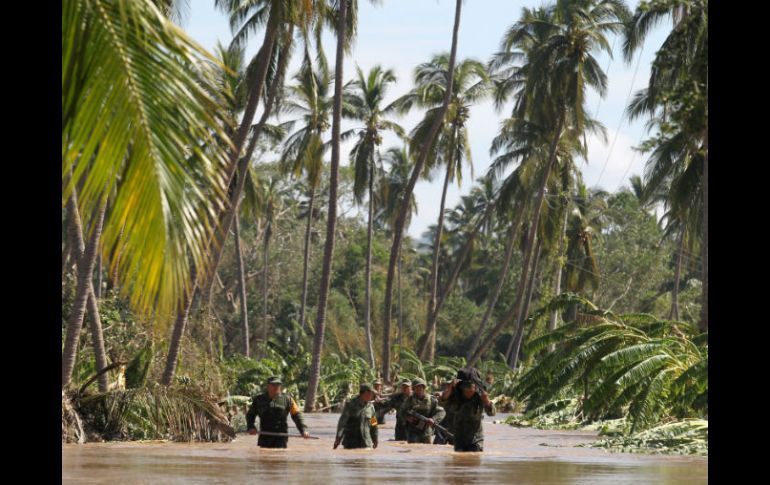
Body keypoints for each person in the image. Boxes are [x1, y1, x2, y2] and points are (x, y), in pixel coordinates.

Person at [246, 376, 309, 448]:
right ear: (268, 386)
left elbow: (297, 416)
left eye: (278, 385)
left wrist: (303, 430)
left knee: (280, 456)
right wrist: (251, 427)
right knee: (264, 456)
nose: (276, 387)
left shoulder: (288, 399)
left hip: (281, 436)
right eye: (273, 385)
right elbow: (250, 415)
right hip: (265, 436)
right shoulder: (258, 400)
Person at [445, 378, 495, 452]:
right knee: (459, 459)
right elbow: (442, 402)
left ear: (475, 389)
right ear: (462, 390)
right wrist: (449, 388)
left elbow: (492, 413)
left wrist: (486, 400)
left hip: (476, 438)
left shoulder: (480, 397)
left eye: (471, 391)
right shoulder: (456, 397)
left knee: (474, 459)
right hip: (459, 438)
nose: (469, 393)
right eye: (466, 391)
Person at [398, 377, 445, 444]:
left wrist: (433, 419)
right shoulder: (409, 400)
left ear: (424, 387)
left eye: (420, 387)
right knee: (413, 449)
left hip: (426, 430)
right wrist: (407, 418)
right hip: (412, 431)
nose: (419, 389)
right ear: (413, 389)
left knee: (426, 450)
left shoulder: (431, 400)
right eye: (416, 387)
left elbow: (441, 412)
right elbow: (401, 412)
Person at [334, 383, 379, 449]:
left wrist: (375, 439)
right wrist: (338, 438)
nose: (372, 396)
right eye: (371, 393)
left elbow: (374, 424)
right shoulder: (350, 405)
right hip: (351, 443)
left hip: (366, 443)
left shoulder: (371, 407)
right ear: (365, 393)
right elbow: (342, 423)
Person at [434, 381, 455, 445]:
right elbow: (443, 398)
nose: (448, 386)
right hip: (442, 427)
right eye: (448, 385)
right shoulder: (443, 394)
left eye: (450, 385)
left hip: (455, 428)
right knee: (437, 447)